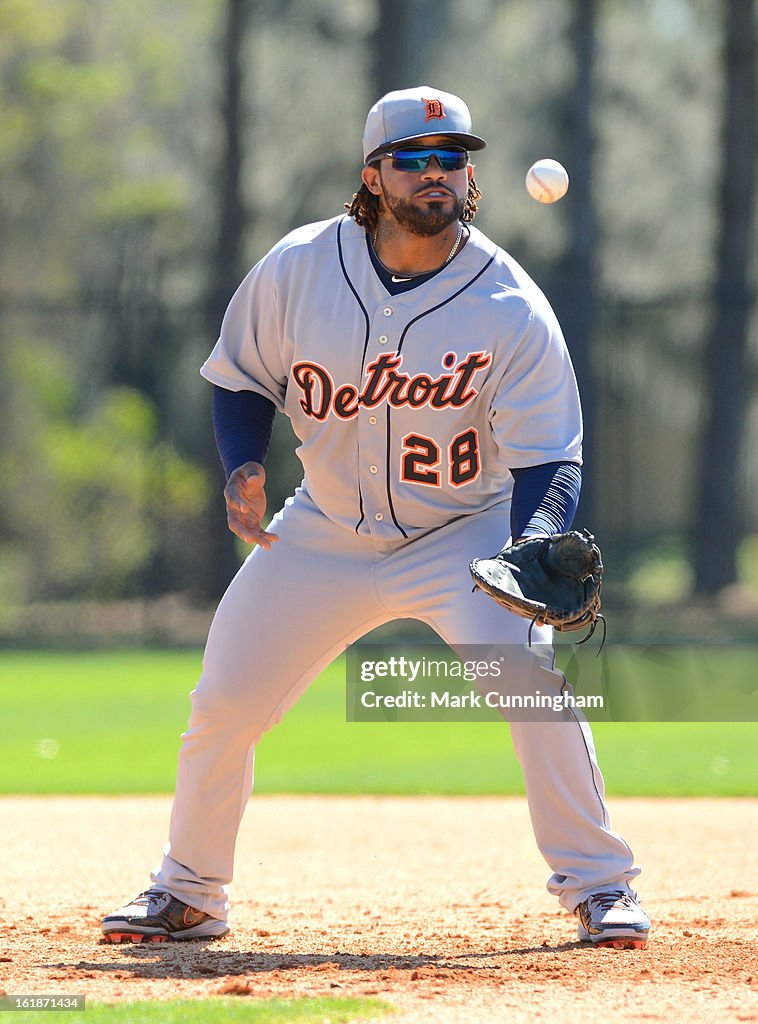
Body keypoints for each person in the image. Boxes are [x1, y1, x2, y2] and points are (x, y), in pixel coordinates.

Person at [101, 86, 649, 949]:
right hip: (323, 529)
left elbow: (551, 454)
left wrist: (533, 539)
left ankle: (602, 887)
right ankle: (191, 892)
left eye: (453, 159)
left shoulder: (510, 305)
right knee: (225, 701)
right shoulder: (299, 267)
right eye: (416, 158)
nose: (437, 174)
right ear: (373, 174)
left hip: (463, 534)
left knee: (529, 686)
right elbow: (241, 376)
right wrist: (242, 464)